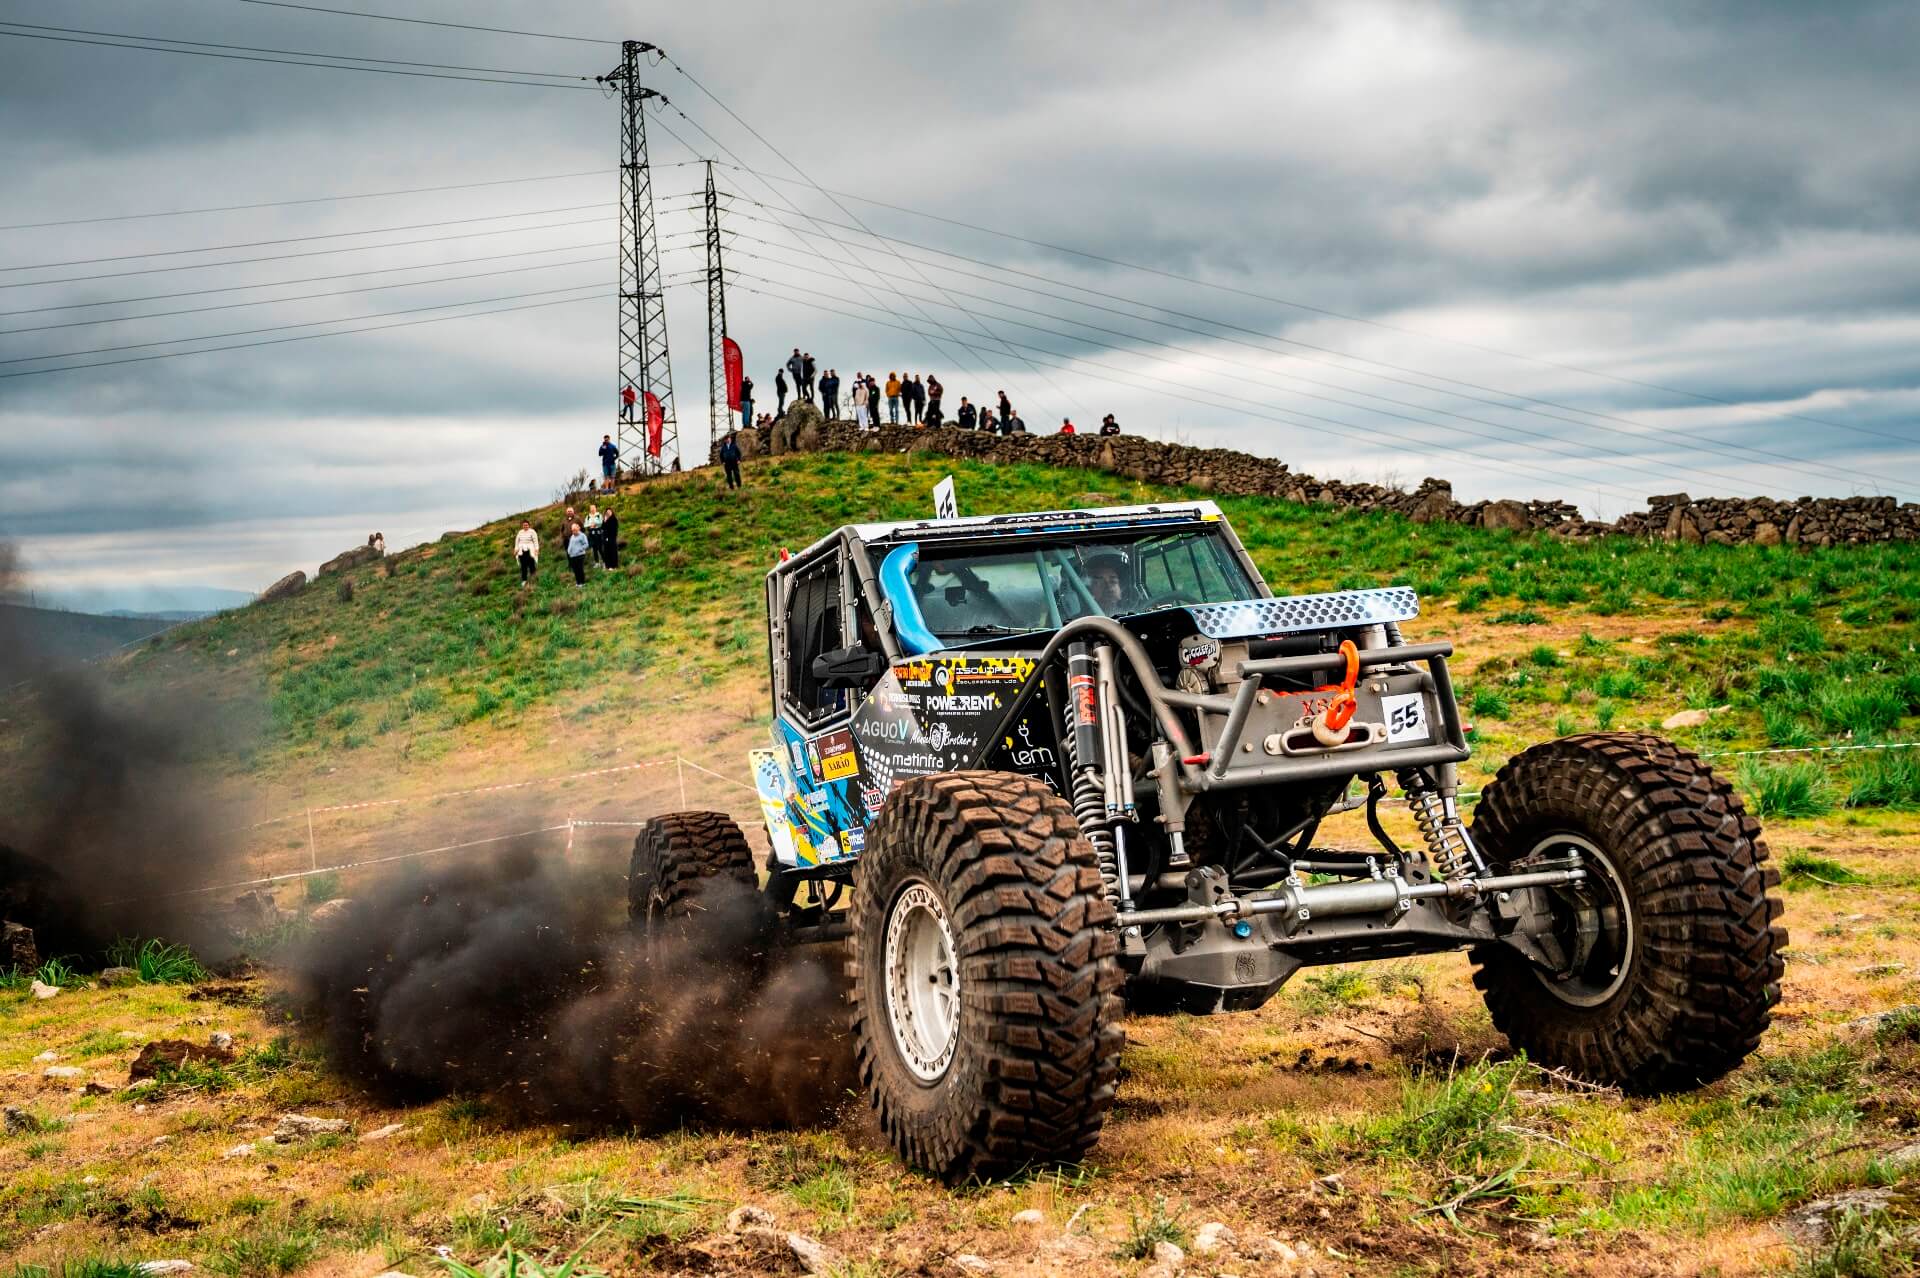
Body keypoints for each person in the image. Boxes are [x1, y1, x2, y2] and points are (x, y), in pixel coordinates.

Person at [513, 520, 539, 586]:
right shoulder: (520, 532)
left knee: (531, 565)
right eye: (524, 525)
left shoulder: (532, 531)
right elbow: (517, 542)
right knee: (523, 566)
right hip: (521, 551)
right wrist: (516, 550)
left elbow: (535, 541)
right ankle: (524, 580)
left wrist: (536, 549)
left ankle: (534, 579)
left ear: (529, 525)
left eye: (526, 525)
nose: (525, 526)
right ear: (522, 526)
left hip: (530, 550)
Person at [599, 505, 620, 569]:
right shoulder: (605, 520)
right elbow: (602, 528)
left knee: (613, 552)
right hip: (605, 539)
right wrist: (604, 521)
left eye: (609, 512)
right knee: (607, 552)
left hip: (612, 538)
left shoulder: (614, 520)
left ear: (612, 512)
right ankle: (608, 566)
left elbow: (614, 530)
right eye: (607, 512)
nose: (608, 513)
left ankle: (614, 566)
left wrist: (609, 537)